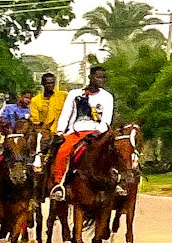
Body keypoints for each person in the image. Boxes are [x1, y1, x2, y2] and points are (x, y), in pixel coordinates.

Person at [49, 64, 116, 198]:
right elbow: (66, 114)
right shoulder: (75, 94)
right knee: (62, 152)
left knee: (116, 150)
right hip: (76, 132)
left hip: (98, 132)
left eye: (103, 78)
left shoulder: (107, 97)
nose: (101, 80)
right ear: (90, 77)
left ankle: (118, 182)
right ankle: (59, 184)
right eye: (98, 77)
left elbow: (106, 120)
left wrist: (96, 133)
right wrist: (60, 132)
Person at [29, 67, 67, 145]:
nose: (50, 85)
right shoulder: (35, 100)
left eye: (52, 83)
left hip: (63, 132)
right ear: (42, 84)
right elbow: (35, 121)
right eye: (48, 83)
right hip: (44, 135)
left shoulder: (64, 96)